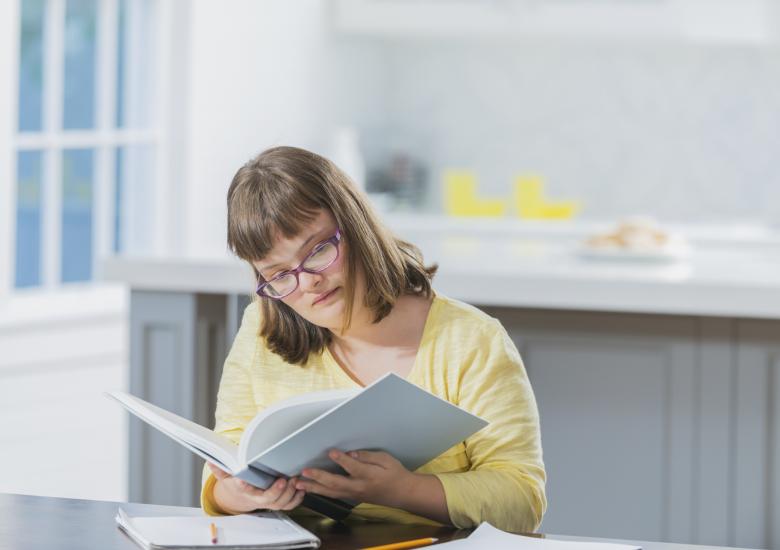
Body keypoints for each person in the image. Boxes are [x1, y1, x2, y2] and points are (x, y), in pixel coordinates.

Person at [201, 146, 546, 532]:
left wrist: (404, 490)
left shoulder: (471, 340)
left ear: (355, 226)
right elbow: (224, 466)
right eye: (279, 275)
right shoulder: (261, 328)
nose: (309, 282)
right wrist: (237, 495)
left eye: (318, 251)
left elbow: (522, 499)